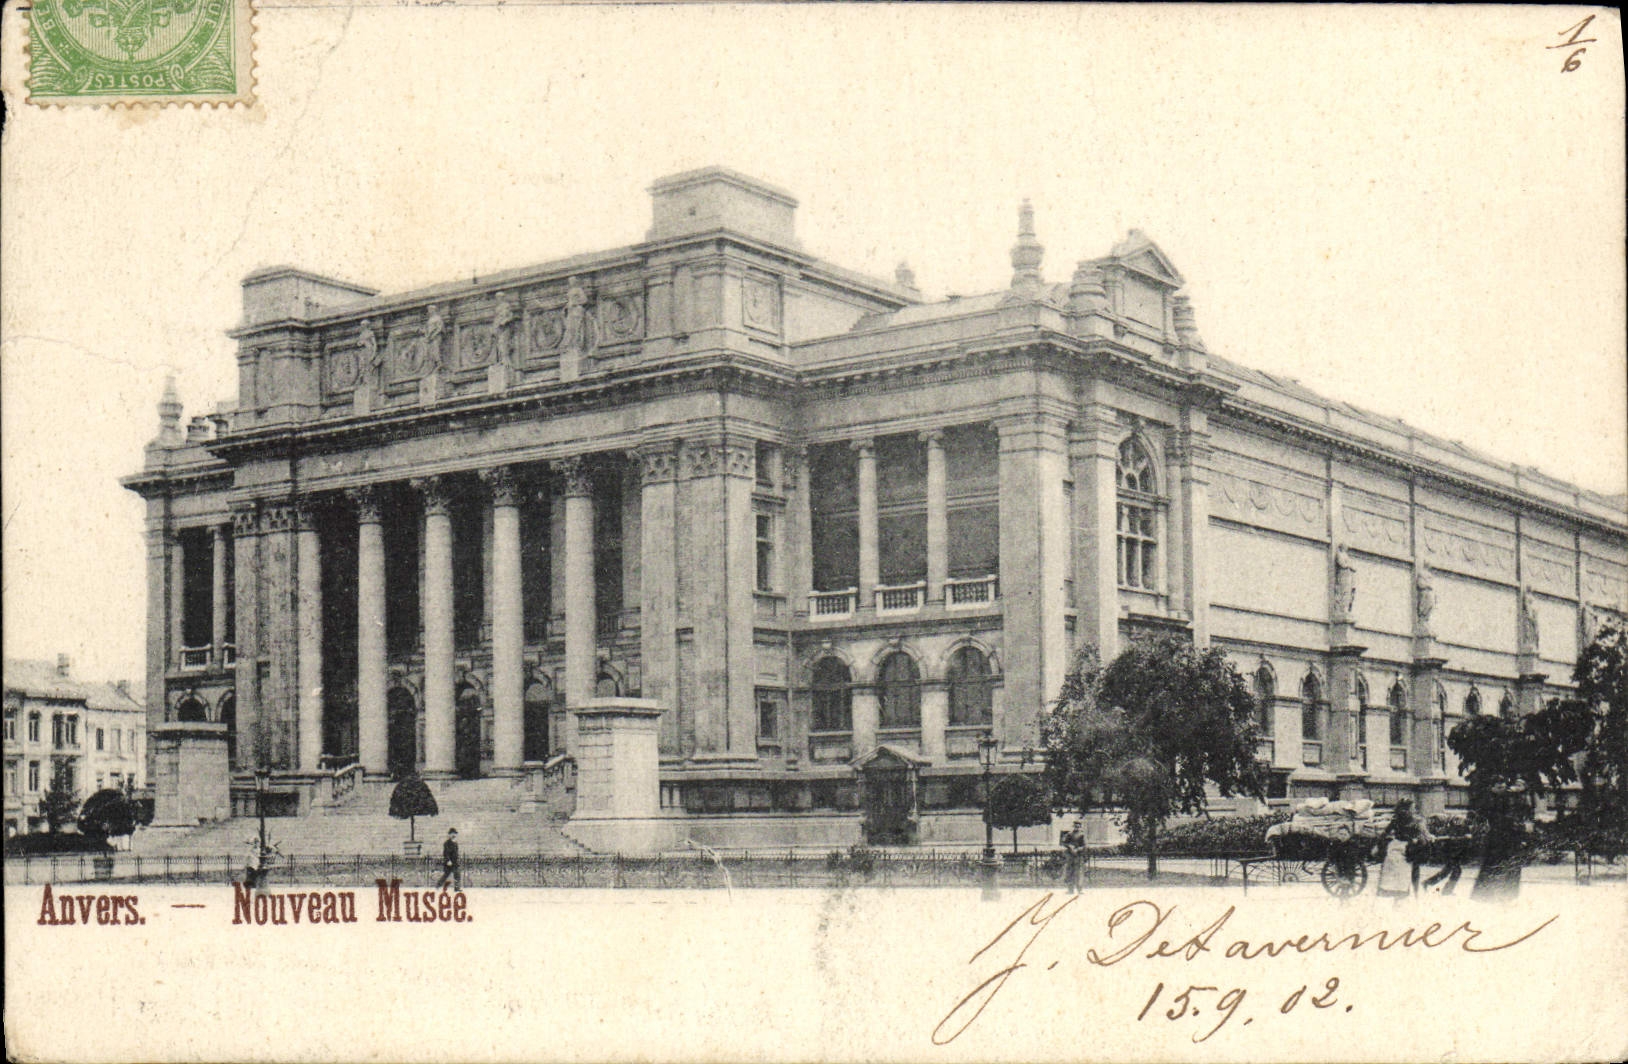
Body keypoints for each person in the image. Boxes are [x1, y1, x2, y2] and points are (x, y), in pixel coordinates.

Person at [1061, 830, 1084, 895]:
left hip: (1078, 856)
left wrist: (1078, 849)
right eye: (1075, 825)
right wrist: (1069, 846)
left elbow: (1084, 845)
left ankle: (1079, 890)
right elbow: (1064, 843)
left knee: (1079, 873)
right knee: (1070, 873)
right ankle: (1070, 890)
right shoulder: (1069, 834)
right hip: (1070, 857)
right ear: (1073, 826)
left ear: (1080, 827)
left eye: (1078, 826)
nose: (1077, 827)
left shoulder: (1082, 835)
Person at [438, 828, 461, 892]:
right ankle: (438, 886)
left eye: (455, 834)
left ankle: (457, 888)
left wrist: (457, 860)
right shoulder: (447, 843)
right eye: (452, 834)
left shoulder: (456, 843)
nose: (453, 835)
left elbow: (456, 853)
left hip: (455, 862)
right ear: (449, 835)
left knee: (457, 874)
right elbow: (446, 853)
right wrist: (448, 860)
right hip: (449, 862)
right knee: (446, 875)